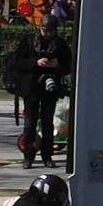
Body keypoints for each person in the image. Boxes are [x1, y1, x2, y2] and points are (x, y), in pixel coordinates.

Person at [22, 20, 74, 166]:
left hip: (50, 86)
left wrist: (57, 65)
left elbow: (68, 66)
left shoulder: (60, 44)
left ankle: (47, 156)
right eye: (46, 31)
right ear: (40, 28)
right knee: (30, 123)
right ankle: (28, 156)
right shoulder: (28, 41)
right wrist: (36, 63)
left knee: (47, 122)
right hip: (32, 86)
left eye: (51, 31)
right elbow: (16, 62)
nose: (48, 34)